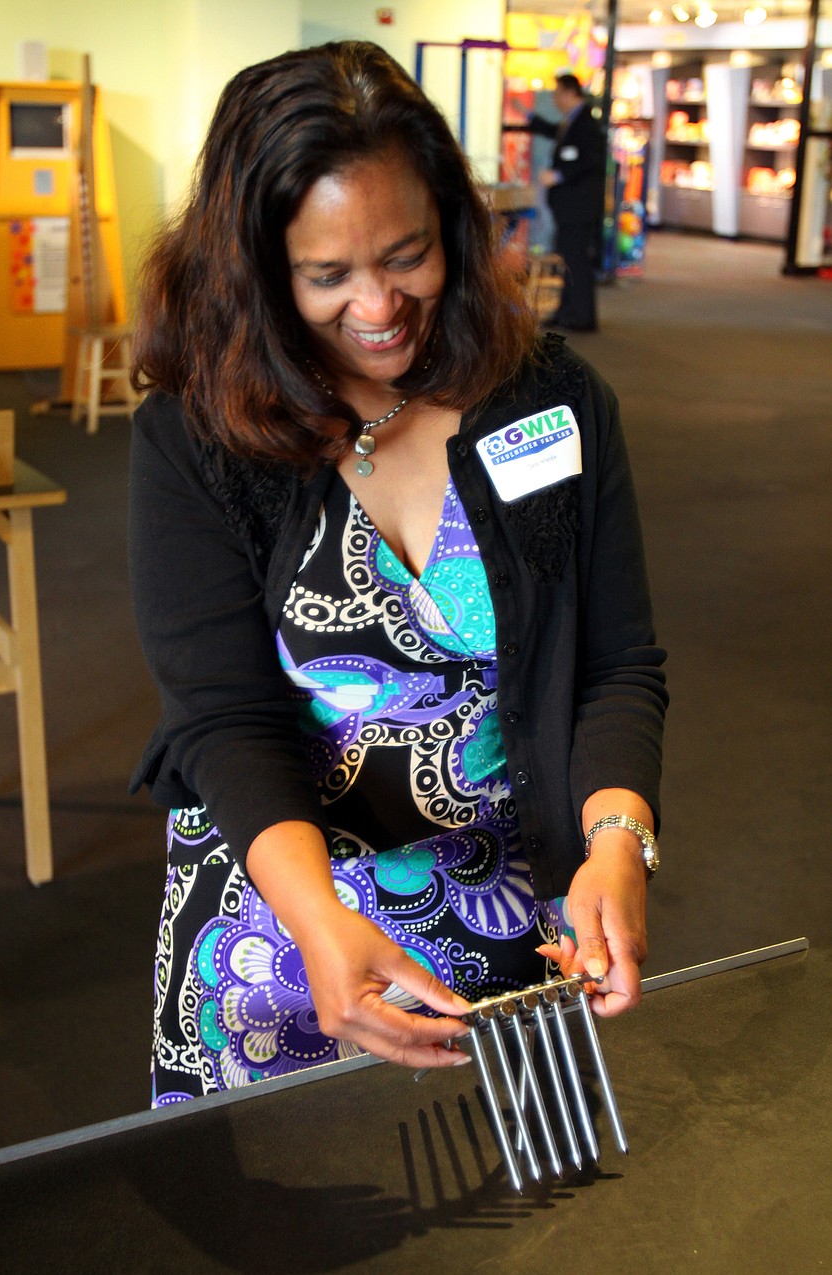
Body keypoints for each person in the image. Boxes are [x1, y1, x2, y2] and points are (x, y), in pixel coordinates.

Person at [129, 40, 667, 1107]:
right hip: (281, 928)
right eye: (326, 276)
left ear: (454, 233)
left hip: (510, 916)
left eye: (407, 255)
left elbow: (616, 665)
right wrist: (319, 920)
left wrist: (617, 841)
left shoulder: (551, 400)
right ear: (257, 270)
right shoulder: (198, 436)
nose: (377, 306)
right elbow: (222, 717)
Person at [505, 73, 607, 332]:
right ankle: (567, 311)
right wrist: (526, 115)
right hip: (570, 208)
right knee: (570, 259)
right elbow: (552, 132)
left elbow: (589, 161)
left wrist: (559, 175)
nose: (554, 99)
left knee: (577, 260)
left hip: (579, 208)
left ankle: (582, 317)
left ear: (570, 92)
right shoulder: (571, 122)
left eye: (557, 93)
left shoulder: (585, 124)